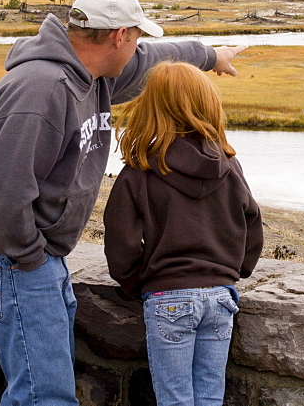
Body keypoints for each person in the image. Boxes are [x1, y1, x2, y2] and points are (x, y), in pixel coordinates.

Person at [0, 0, 246, 406]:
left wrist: (210, 56)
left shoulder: (91, 75)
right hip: (11, 261)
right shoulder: (43, 88)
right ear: (118, 35)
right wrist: (32, 259)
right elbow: (2, 194)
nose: (139, 47)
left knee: (44, 389)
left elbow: (153, 60)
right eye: (137, 35)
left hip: (33, 258)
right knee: (44, 396)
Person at [104, 61, 263, 406]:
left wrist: (137, 283)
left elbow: (120, 243)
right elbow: (251, 224)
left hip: (167, 298)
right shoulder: (229, 164)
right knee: (210, 398)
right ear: (208, 104)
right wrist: (233, 272)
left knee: (174, 400)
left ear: (151, 107)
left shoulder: (140, 169)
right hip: (221, 296)